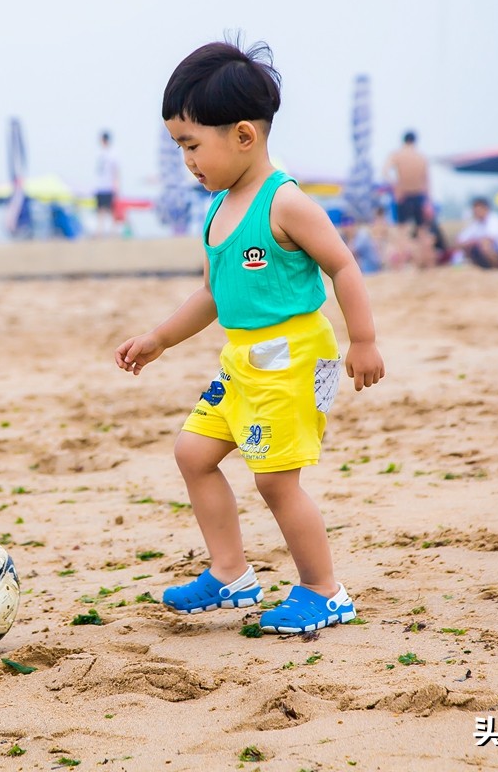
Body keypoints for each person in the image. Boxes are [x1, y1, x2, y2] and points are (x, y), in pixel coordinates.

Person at [114, 39, 384, 634]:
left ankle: (324, 588)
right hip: (241, 360)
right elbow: (213, 293)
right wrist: (160, 338)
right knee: (193, 453)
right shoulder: (217, 209)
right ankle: (231, 574)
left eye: (191, 144)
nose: (187, 160)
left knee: (275, 481)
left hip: (293, 359)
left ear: (243, 136)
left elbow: (343, 266)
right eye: (179, 146)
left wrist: (362, 340)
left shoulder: (284, 202)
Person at [383, 131, 435, 268]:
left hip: (403, 195)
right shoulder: (421, 157)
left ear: (403, 140)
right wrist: (428, 201)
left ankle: (400, 264)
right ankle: (426, 264)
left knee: (402, 231)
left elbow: (385, 171)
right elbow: (427, 180)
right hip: (419, 195)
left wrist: (395, 186)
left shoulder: (397, 155)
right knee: (422, 231)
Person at [455, 197, 498, 269]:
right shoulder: (476, 224)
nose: (476, 212)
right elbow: (459, 241)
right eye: (475, 209)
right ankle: (486, 267)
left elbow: (490, 238)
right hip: (487, 253)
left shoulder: (494, 219)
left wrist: (474, 242)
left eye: (478, 209)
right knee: (471, 246)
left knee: (485, 244)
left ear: (486, 208)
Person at [94, 131, 119, 237]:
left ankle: (113, 232)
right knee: (100, 211)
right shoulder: (99, 153)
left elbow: (115, 171)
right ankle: (100, 232)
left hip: (108, 186)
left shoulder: (112, 154)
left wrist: (116, 186)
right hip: (100, 186)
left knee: (111, 211)